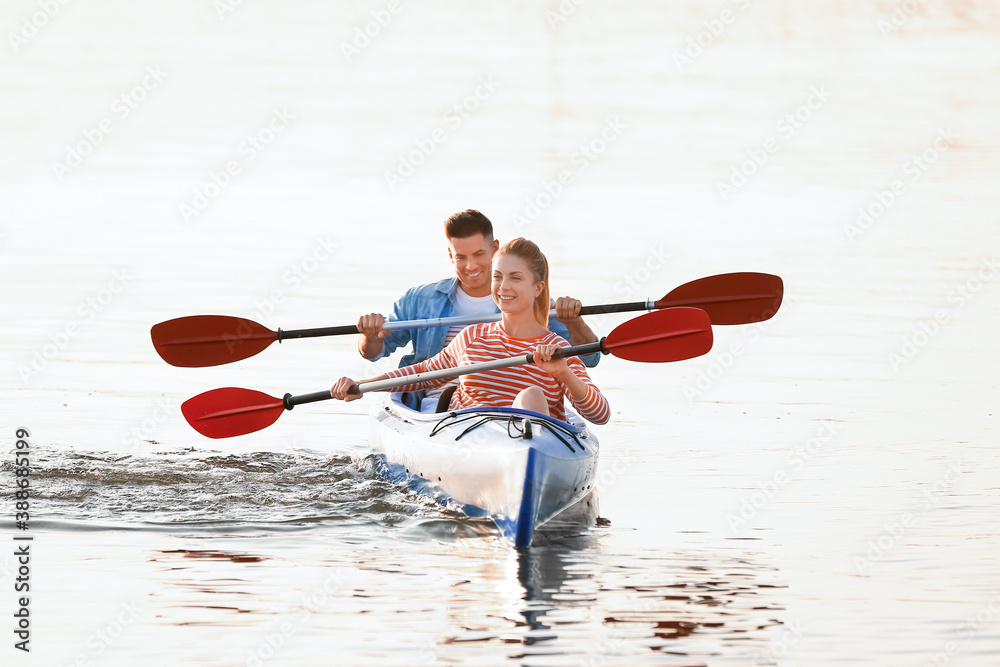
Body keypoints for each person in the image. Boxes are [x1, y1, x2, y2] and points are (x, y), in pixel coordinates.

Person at [332, 237, 610, 424]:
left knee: (532, 396)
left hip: (533, 452)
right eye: (498, 277)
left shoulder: (558, 349)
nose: (503, 287)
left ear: (538, 288)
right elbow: (420, 374)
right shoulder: (472, 337)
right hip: (469, 447)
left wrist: (562, 372)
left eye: (516, 278)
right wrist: (362, 386)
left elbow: (600, 415)